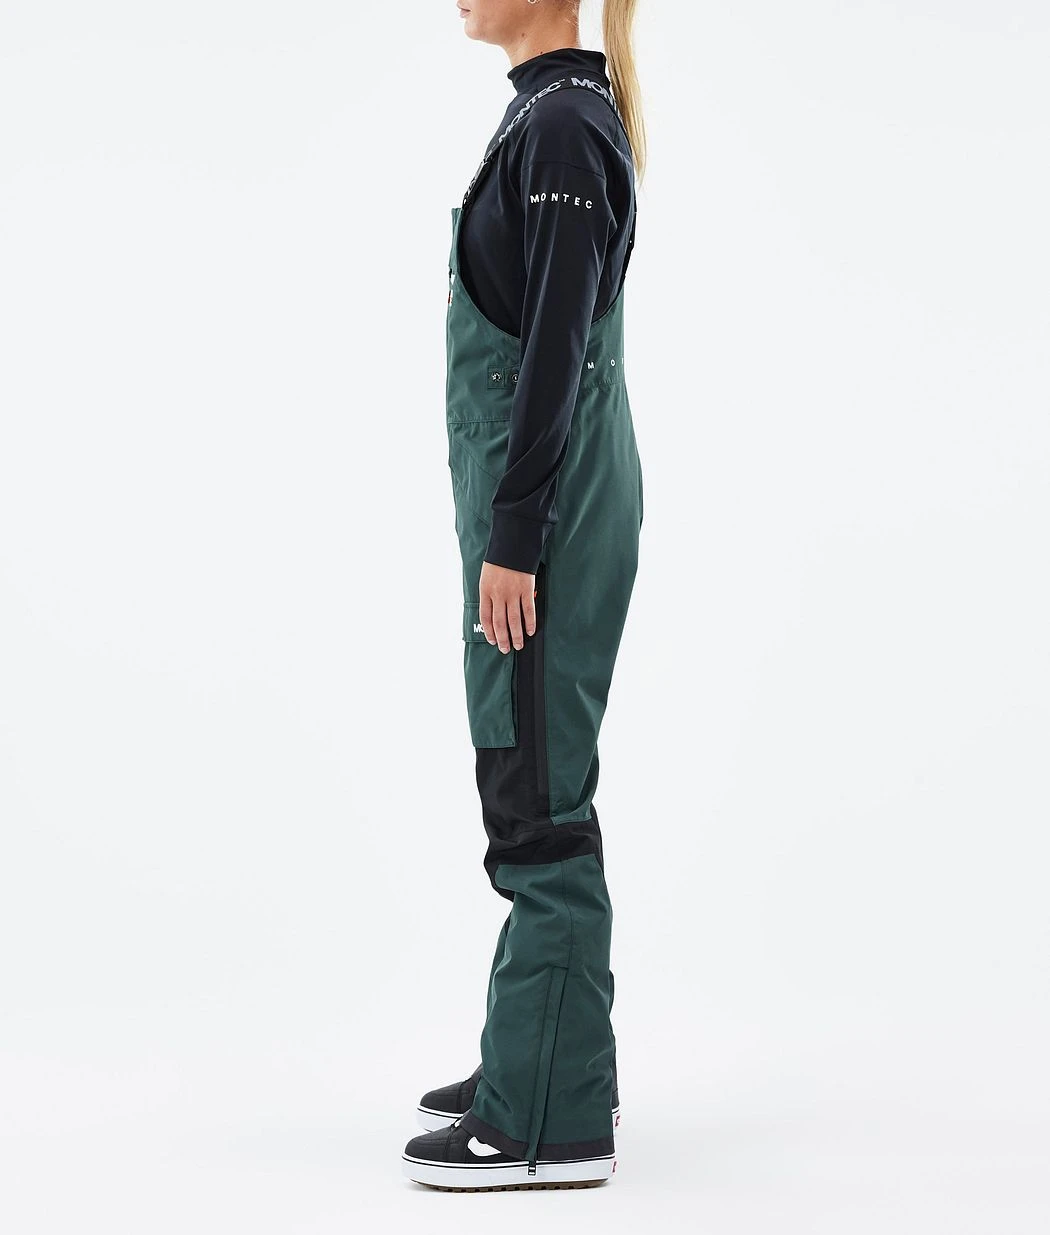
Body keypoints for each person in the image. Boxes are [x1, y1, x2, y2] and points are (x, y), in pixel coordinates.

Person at [402, 0, 646, 1192]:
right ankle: (542, 1057)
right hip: (540, 510)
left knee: (538, 794)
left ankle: (545, 1119)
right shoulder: (554, 117)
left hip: (543, 522)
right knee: (529, 767)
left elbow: (554, 348)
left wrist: (516, 533)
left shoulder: (560, 128)